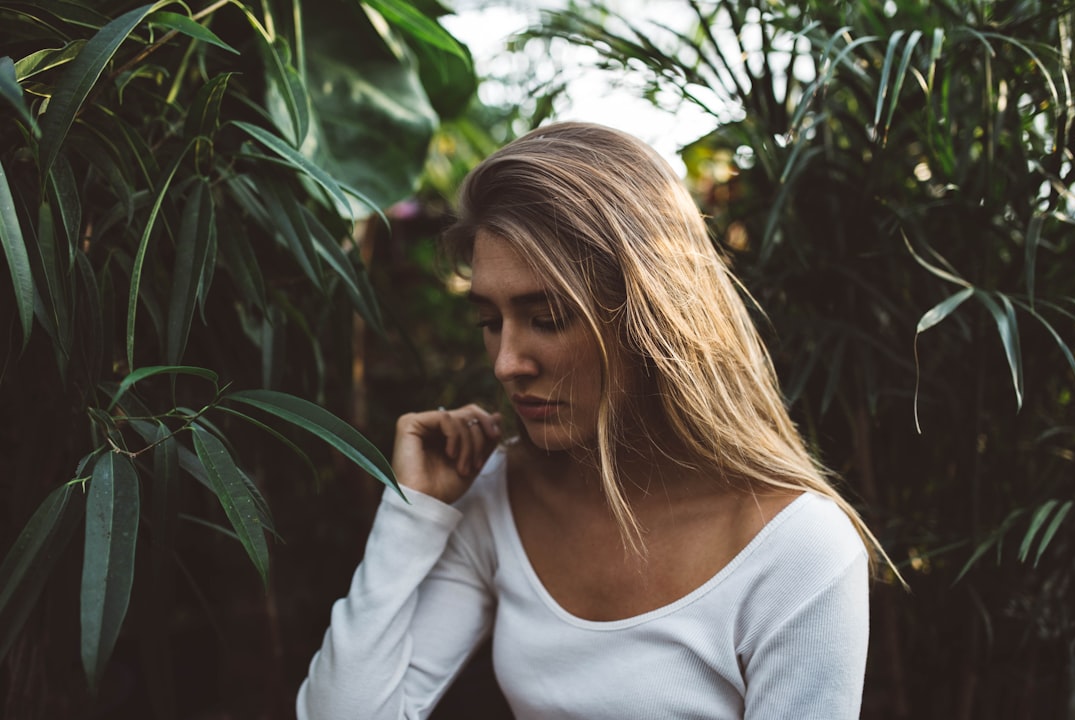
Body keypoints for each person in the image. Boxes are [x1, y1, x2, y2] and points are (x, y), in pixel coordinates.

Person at [297, 122, 891, 720]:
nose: (506, 364)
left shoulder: (794, 548)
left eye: (549, 317)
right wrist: (412, 516)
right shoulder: (502, 494)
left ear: (648, 316)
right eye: (489, 321)